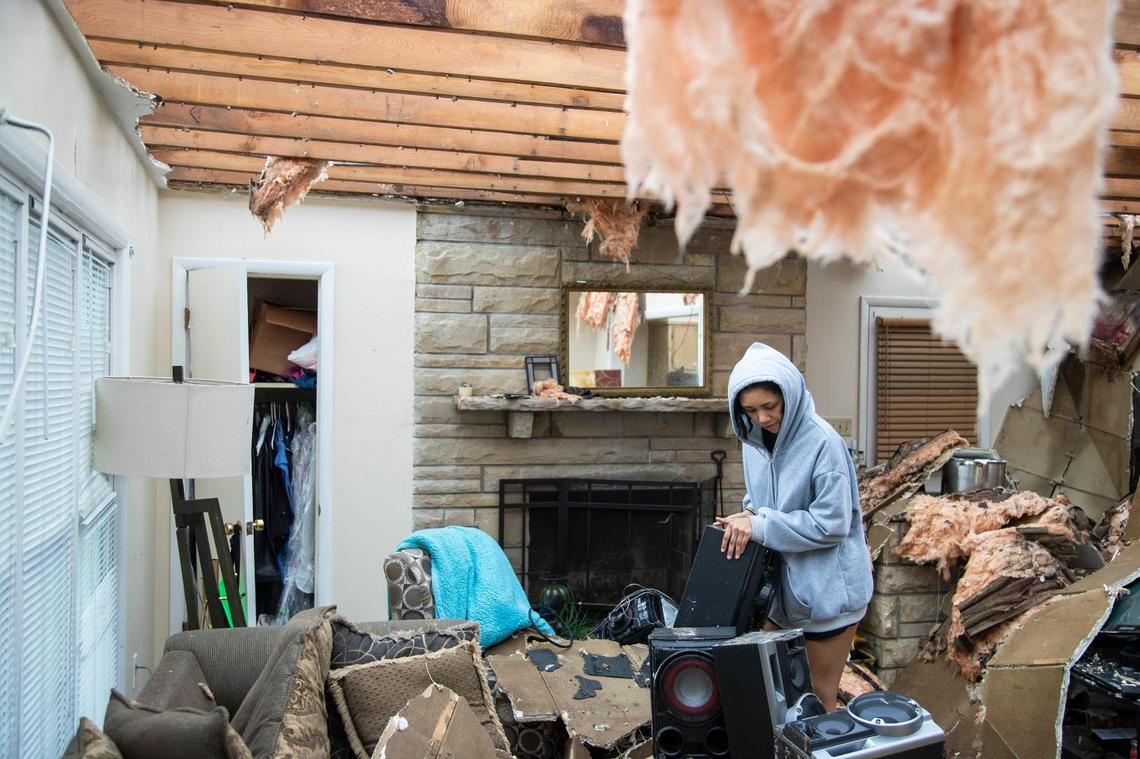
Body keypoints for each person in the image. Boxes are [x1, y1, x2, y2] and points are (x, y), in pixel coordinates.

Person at [714, 342, 873, 712]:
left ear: (789, 394)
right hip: (786, 597)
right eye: (750, 410)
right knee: (760, 683)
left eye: (770, 406)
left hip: (829, 596)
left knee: (817, 699)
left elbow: (833, 524)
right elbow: (764, 502)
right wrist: (748, 516)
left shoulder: (823, 443)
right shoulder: (752, 441)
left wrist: (762, 525)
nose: (763, 418)